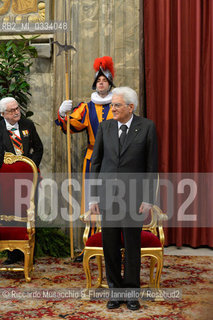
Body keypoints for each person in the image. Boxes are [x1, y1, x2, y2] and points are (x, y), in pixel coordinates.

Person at [90, 87, 158, 310]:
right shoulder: (105, 127)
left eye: (117, 105)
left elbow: (151, 167)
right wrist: (93, 196)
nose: (112, 109)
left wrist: (148, 199)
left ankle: (131, 293)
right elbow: (96, 163)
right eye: (112, 105)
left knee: (132, 247)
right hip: (108, 197)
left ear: (131, 107)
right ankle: (115, 291)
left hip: (135, 199)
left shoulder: (147, 127)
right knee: (109, 246)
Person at [56, 56, 115, 262]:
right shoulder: (86, 107)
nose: (101, 83)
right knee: (91, 202)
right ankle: (90, 246)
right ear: (94, 84)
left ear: (110, 83)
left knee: (115, 201)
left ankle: (115, 245)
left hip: (116, 161)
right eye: (98, 80)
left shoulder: (119, 105)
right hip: (92, 160)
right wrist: (63, 114)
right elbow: (71, 126)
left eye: (105, 80)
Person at [0, 97, 43, 264]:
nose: (17, 112)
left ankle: (29, 253)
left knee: (30, 212)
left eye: (17, 108)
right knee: (9, 213)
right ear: (3, 114)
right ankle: (12, 255)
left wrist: (30, 166)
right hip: (6, 181)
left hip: (28, 179)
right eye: (12, 110)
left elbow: (39, 148)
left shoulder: (27, 125)